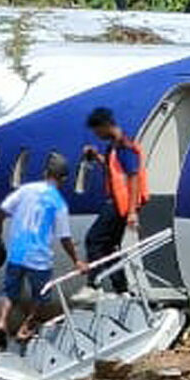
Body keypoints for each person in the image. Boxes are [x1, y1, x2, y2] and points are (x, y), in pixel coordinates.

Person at [0, 153, 88, 342]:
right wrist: (77, 260)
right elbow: (64, 238)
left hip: (17, 253)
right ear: (63, 179)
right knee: (42, 296)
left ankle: (1, 322)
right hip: (39, 258)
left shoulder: (26, 190)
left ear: (45, 173)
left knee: (10, 292)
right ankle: (25, 327)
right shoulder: (58, 203)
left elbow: (3, 209)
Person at [81, 107, 148, 293]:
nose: (97, 135)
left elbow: (133, 176)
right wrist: (97, 157)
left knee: (93, 240)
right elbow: (114, 170)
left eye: (97, 131)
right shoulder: (114, 146)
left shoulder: (123, 145)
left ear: (105, 126)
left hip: (120, 205)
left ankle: (93, 284)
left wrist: (133, 211)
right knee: (110, 247)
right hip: (119, 203)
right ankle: (121, 288)